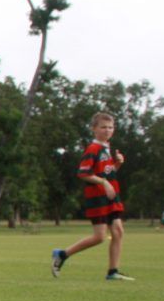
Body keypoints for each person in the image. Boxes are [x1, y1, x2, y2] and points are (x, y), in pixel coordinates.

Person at [51, 111, 132, 281]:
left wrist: (117, 163)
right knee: (100, 237)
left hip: (111, 196)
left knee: (118, 231)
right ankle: (62, 255)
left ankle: (113, 271)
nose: (107, 130)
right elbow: (84, 173)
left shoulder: (107, 149)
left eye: (110, 127)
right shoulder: (93, 149)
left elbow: (107, 173)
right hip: (98, 198)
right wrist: (103, 183)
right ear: (94, 129)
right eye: (103, 127)